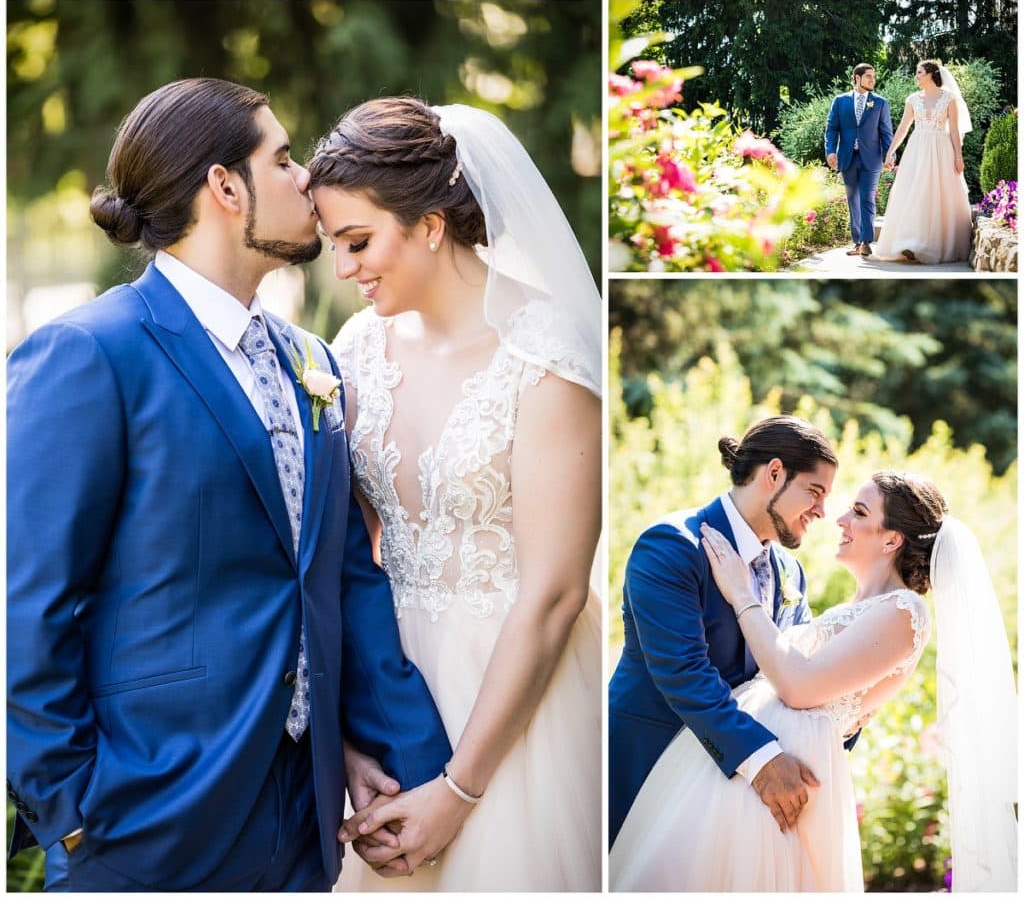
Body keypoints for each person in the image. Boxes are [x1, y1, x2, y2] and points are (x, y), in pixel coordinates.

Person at [6, 78, 451, 891]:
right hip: (146, 824)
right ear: (223, 187)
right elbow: (29, 606)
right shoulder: (88, 354)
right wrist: (70, 816)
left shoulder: (310, 361)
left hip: (305, 818)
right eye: (282, 160)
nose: (307, 182)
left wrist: (417, 769)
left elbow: (344, 575)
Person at [307, 97, 602, 891]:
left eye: (359, 242)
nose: (343, 269)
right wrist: (356, 741)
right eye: (336, 246)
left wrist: (460, 788)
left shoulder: (546, 359)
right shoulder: (355, 353)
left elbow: (555, 593)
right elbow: (346, 560)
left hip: (514, 698)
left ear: (432, 224)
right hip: (393, 692)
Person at [611, 472, 1017, 891]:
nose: (839, 518)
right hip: (754, 763)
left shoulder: (904, 610)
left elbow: (799, 688)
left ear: (891, 540)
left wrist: (740, 592)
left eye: (858, 512)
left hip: (782, 776)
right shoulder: (866, 606)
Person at [608, 416, 839, 847]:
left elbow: (797, 670)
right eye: (815, 491)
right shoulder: (671, 546)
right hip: (645, 765)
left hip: (725, 802)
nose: (823, 511)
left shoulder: (791, 572)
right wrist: (763, 759)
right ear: (774, 474)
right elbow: (682, 672)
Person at [871, 60, 973, 264]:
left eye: (919, 72)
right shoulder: (912, 99)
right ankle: (909, 243)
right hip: (916, 151)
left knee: (938, 196)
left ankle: (933, 245)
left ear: (930, 74)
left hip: (941, 151)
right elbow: (902, 128)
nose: (916, 76)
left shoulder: (949, 99)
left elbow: (953, 131)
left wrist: (958, 157)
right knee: (912, 194)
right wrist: (890, 152)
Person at [825, 63, 894, 257]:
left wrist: (890, 155)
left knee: (867, 198)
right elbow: (832, 129)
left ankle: (865, 241)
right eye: (869, 76)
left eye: (873, 76)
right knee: (852, 199)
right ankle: (857, 242)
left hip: (871, 159)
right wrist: (830, 151)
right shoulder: (840, 101)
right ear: (857, 77)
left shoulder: (880, 103)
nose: (873, 80)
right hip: (847, 157)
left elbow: (886, 133)